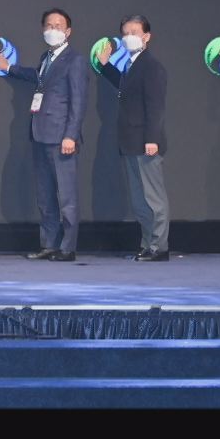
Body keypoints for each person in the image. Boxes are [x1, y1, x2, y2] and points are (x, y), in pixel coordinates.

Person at [0, 9, 88, 261]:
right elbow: (38, 77)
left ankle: (67, 248)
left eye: (58, 25)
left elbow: (78, 101)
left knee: (66, 197)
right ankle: (49, 244)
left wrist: (71, 135)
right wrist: (9, 68)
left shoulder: (75, 60)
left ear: (68, 31)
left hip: (61, 137)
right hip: (40, 134)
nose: (52, 30)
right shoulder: (47, 57)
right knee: (45, 196)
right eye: (49, 25)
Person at [94, 16, 171, 261]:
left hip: (146, 142)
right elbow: (126, 89)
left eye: (134, 32)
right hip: (130, 142)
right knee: (140, 200)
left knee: (154, 198)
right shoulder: (131, 65)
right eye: (125, 33)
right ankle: (147, 244)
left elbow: (156, 107)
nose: (129, 37)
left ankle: (159, 247)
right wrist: (105, 66)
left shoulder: (152, 66)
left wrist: (152, 139)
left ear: (147, 36)